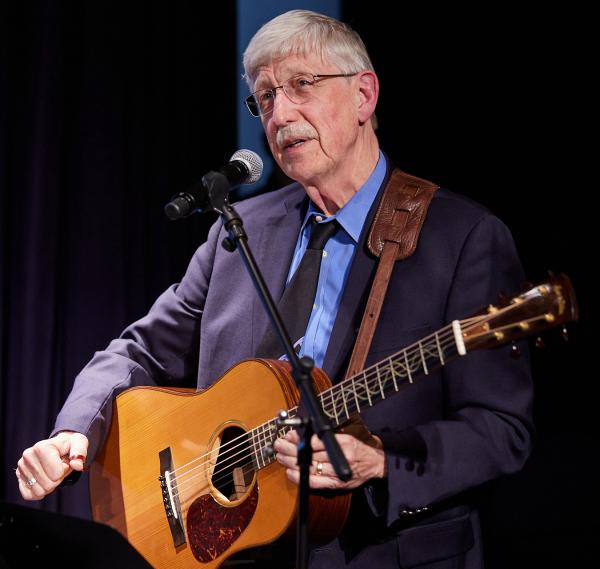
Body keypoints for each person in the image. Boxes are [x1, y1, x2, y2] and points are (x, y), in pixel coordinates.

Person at [16, 10, 533, 569]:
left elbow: (500, 430)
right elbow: (140, 350)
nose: (280, 114)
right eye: (264, 98)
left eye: (302, 86)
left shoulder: (462, 238)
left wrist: (379, 461)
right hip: (240, 549)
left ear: (364, 95)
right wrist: (75, 429)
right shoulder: (241, 231)